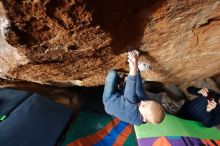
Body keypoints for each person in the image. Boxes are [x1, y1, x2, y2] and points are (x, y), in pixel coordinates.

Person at [102, 50, 165, 125]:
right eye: (147, 101)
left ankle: (120, 81)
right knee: (132, 87)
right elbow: (138, 89)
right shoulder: (145, 105)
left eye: (143, 105)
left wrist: (133, 69)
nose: (143, 101)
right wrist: (136, 67)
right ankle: (121, 82)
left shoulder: (134, 116)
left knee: (112, 73)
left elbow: (129, 95)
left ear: (144, 118)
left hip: (110, 100)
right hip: (122, 97)